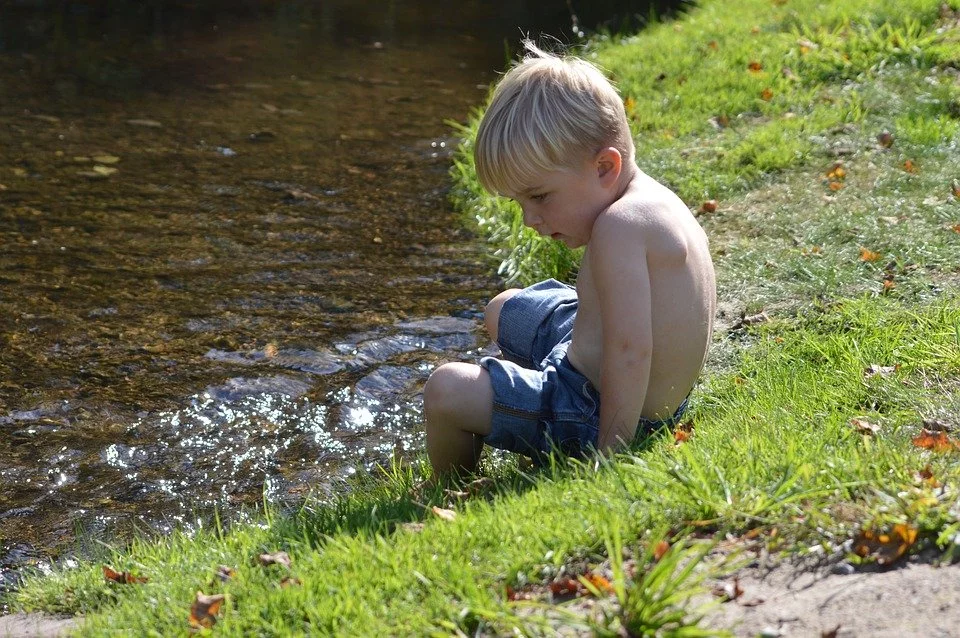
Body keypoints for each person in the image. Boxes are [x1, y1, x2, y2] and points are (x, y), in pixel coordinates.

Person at [424, 42, 716, 477]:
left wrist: (609, 455)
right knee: (503, 308)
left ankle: (452, 490)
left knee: (445, 390)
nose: (529, 219)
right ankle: (519, 400)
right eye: (519, 202)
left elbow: (630, 351)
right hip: (596, 364)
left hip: (594, 409)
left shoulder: (621, 227)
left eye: (539, 197)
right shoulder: (652, 201)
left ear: (604, 167)